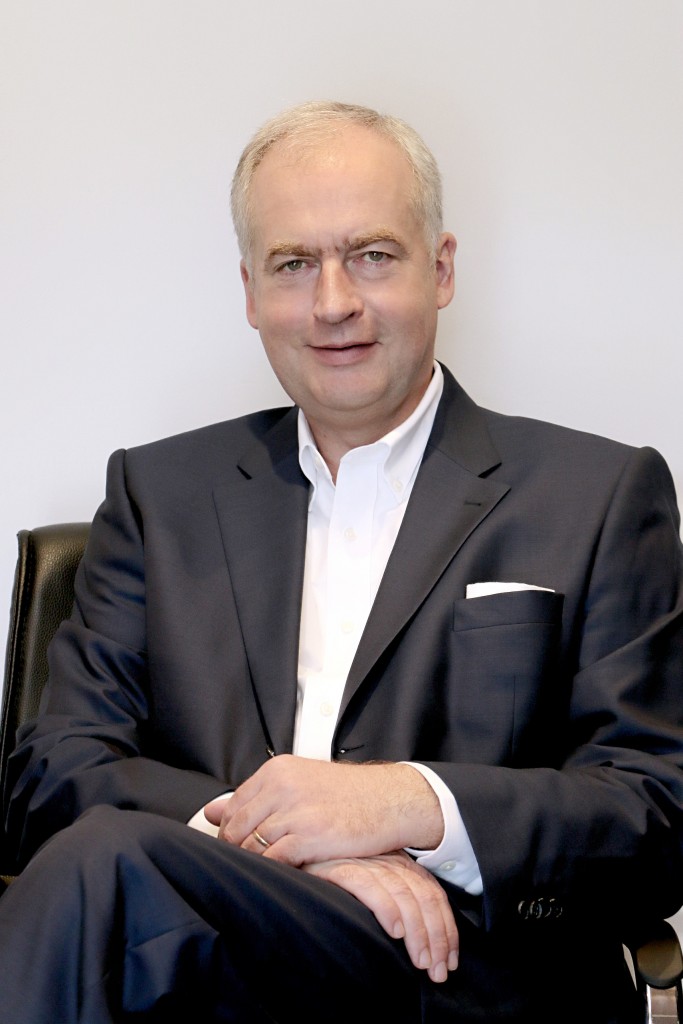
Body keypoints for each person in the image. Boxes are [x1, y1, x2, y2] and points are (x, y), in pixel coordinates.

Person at [1, 99, 682, 1024]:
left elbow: (655, 815)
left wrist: (407, 804)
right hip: (202, 967)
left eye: (371, 255)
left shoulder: (597, 494)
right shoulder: (158, 495)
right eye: (293, 264)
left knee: (103, 867)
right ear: (250, 291)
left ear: (440, 269)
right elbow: (52, 773)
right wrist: (285, 843)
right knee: (100, 863)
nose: (332, 303)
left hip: (461, 977)